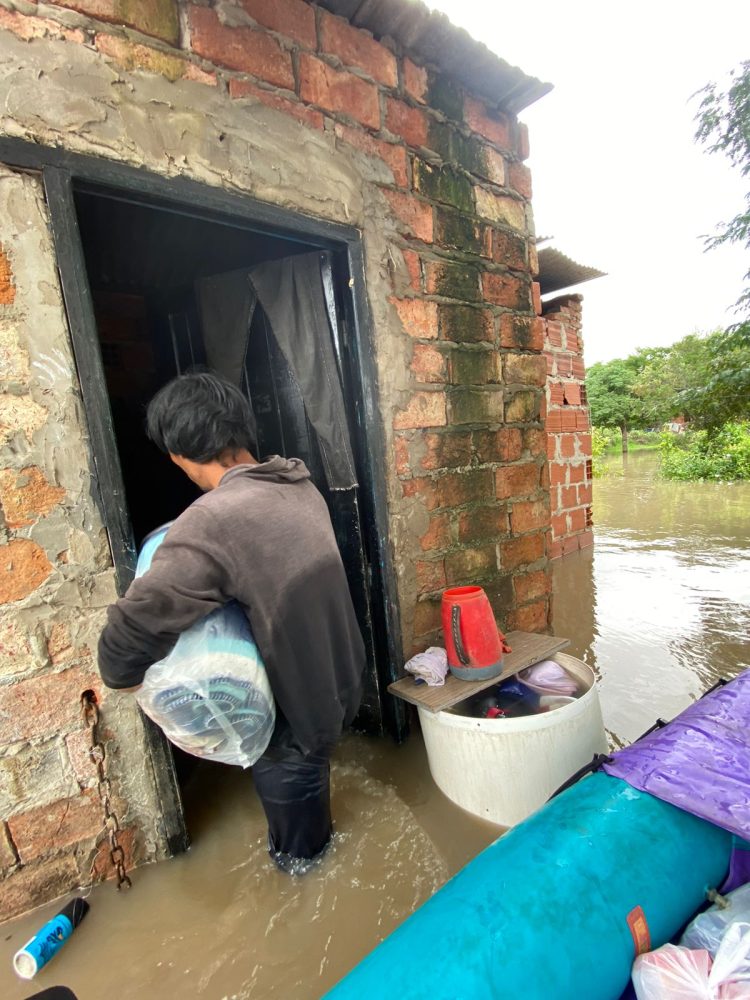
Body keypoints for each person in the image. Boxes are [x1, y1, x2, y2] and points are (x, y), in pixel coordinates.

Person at [98, 371, 366, 873]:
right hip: (340, 686)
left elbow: (127, 637)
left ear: (179, 452)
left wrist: (128, 680)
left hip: (293, 725)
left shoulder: (213, 520)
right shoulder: (298, 485)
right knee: (313, 789)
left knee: (301, 859)